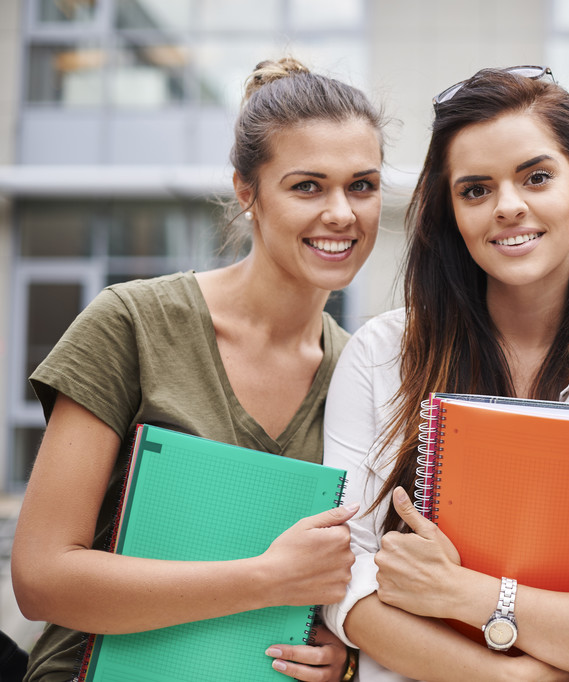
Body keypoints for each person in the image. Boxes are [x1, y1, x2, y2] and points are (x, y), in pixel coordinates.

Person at [319, 66, 569, 681]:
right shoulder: (382, 354)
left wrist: (466, 595)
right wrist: (505, 678)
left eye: (536, 177)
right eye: (475, 189)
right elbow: (340, 579)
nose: (508, 206)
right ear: (452, 212)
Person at [11, 56, 385, 682]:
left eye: (362, 185)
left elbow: (337, 592)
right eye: (307, 186)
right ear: (248, 191)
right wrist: (265, 580)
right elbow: (41, 579)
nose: (342, 213)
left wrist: (339, 655)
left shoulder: (361, 370)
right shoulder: (132, 323)